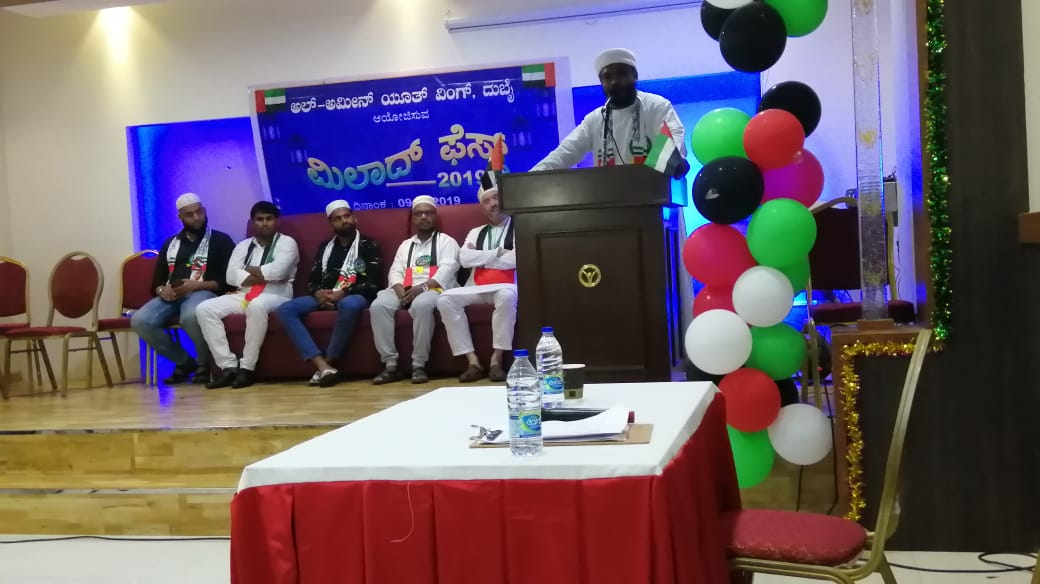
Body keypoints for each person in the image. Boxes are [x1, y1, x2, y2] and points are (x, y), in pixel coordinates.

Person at [531, 48, 690, 178]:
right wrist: (531, 178)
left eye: (621, 74)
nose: (614, 82)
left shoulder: (656, 106)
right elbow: (564, 153)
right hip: (609, 199)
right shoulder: (595, 119)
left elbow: (674, 138)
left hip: (652, 196)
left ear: (634, 76)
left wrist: (675, 161)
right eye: (607, 77)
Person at [131, 193, 236, 385]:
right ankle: (185, 362)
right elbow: (157, 282)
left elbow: (230, 282)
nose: (196, 218)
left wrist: (197, 285)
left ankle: (204, 363)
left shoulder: (221, 241)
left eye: (199, 212)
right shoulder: (170, 244)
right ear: (180, 217)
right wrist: (161, 290)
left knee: (191, 316)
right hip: (172, 295)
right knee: (140, 321)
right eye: (189, 214)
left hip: (204, 292)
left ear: (204, 211)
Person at [276, 200, 382, 387]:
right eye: (338, 218)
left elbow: (373, 283)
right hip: (325, 295)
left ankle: (328, 362)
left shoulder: (368, 244)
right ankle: (321, 365)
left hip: (353, 295)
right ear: (331, 225)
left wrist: (343, 293)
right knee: (286, 309)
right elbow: (312, 281)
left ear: (354, 218)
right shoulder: (325, 247)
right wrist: (318, 293)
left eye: (347, 216)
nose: (344, 220)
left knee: (350, 304)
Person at [196, 201, 299, 389]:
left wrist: (248, 271)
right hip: (244, 294)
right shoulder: (243, 246)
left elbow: (279, 272)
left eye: (269, 219)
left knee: (257, 305)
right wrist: (264, 274)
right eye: (260, 219)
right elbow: (230, 276)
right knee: (204, 308)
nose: (264, 223)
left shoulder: (287, 243)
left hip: (277, 294)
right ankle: (228, 367)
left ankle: (247, 368)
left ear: (277, 221)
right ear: (252, 222)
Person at [370, 196, 460, 385]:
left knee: (422, 305)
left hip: (434, 287)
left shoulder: (447, 242)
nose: (424, 217)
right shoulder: (406, 245)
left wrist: (422, 287)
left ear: (435, 216)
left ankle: (418, 365)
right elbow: (395, 271)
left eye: (428, 213)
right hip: (405, 289)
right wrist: (399, 289)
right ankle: (391, 365)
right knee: (378, 306)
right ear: (413, 218)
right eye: (419, 213)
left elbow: (448, 269)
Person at [437, 185, 516, 383]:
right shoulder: (476, 232)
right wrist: (498, 252)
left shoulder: (519, 227)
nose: (493, 204)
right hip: (476, 285)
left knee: (507, 296)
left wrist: (480, 258)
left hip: (507, 285)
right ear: (482, 208)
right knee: (445, 299)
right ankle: (473, 361)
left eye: (496, 198)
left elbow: (516, 259)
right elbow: (464, 259)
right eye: (487, 201)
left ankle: (496, 359)